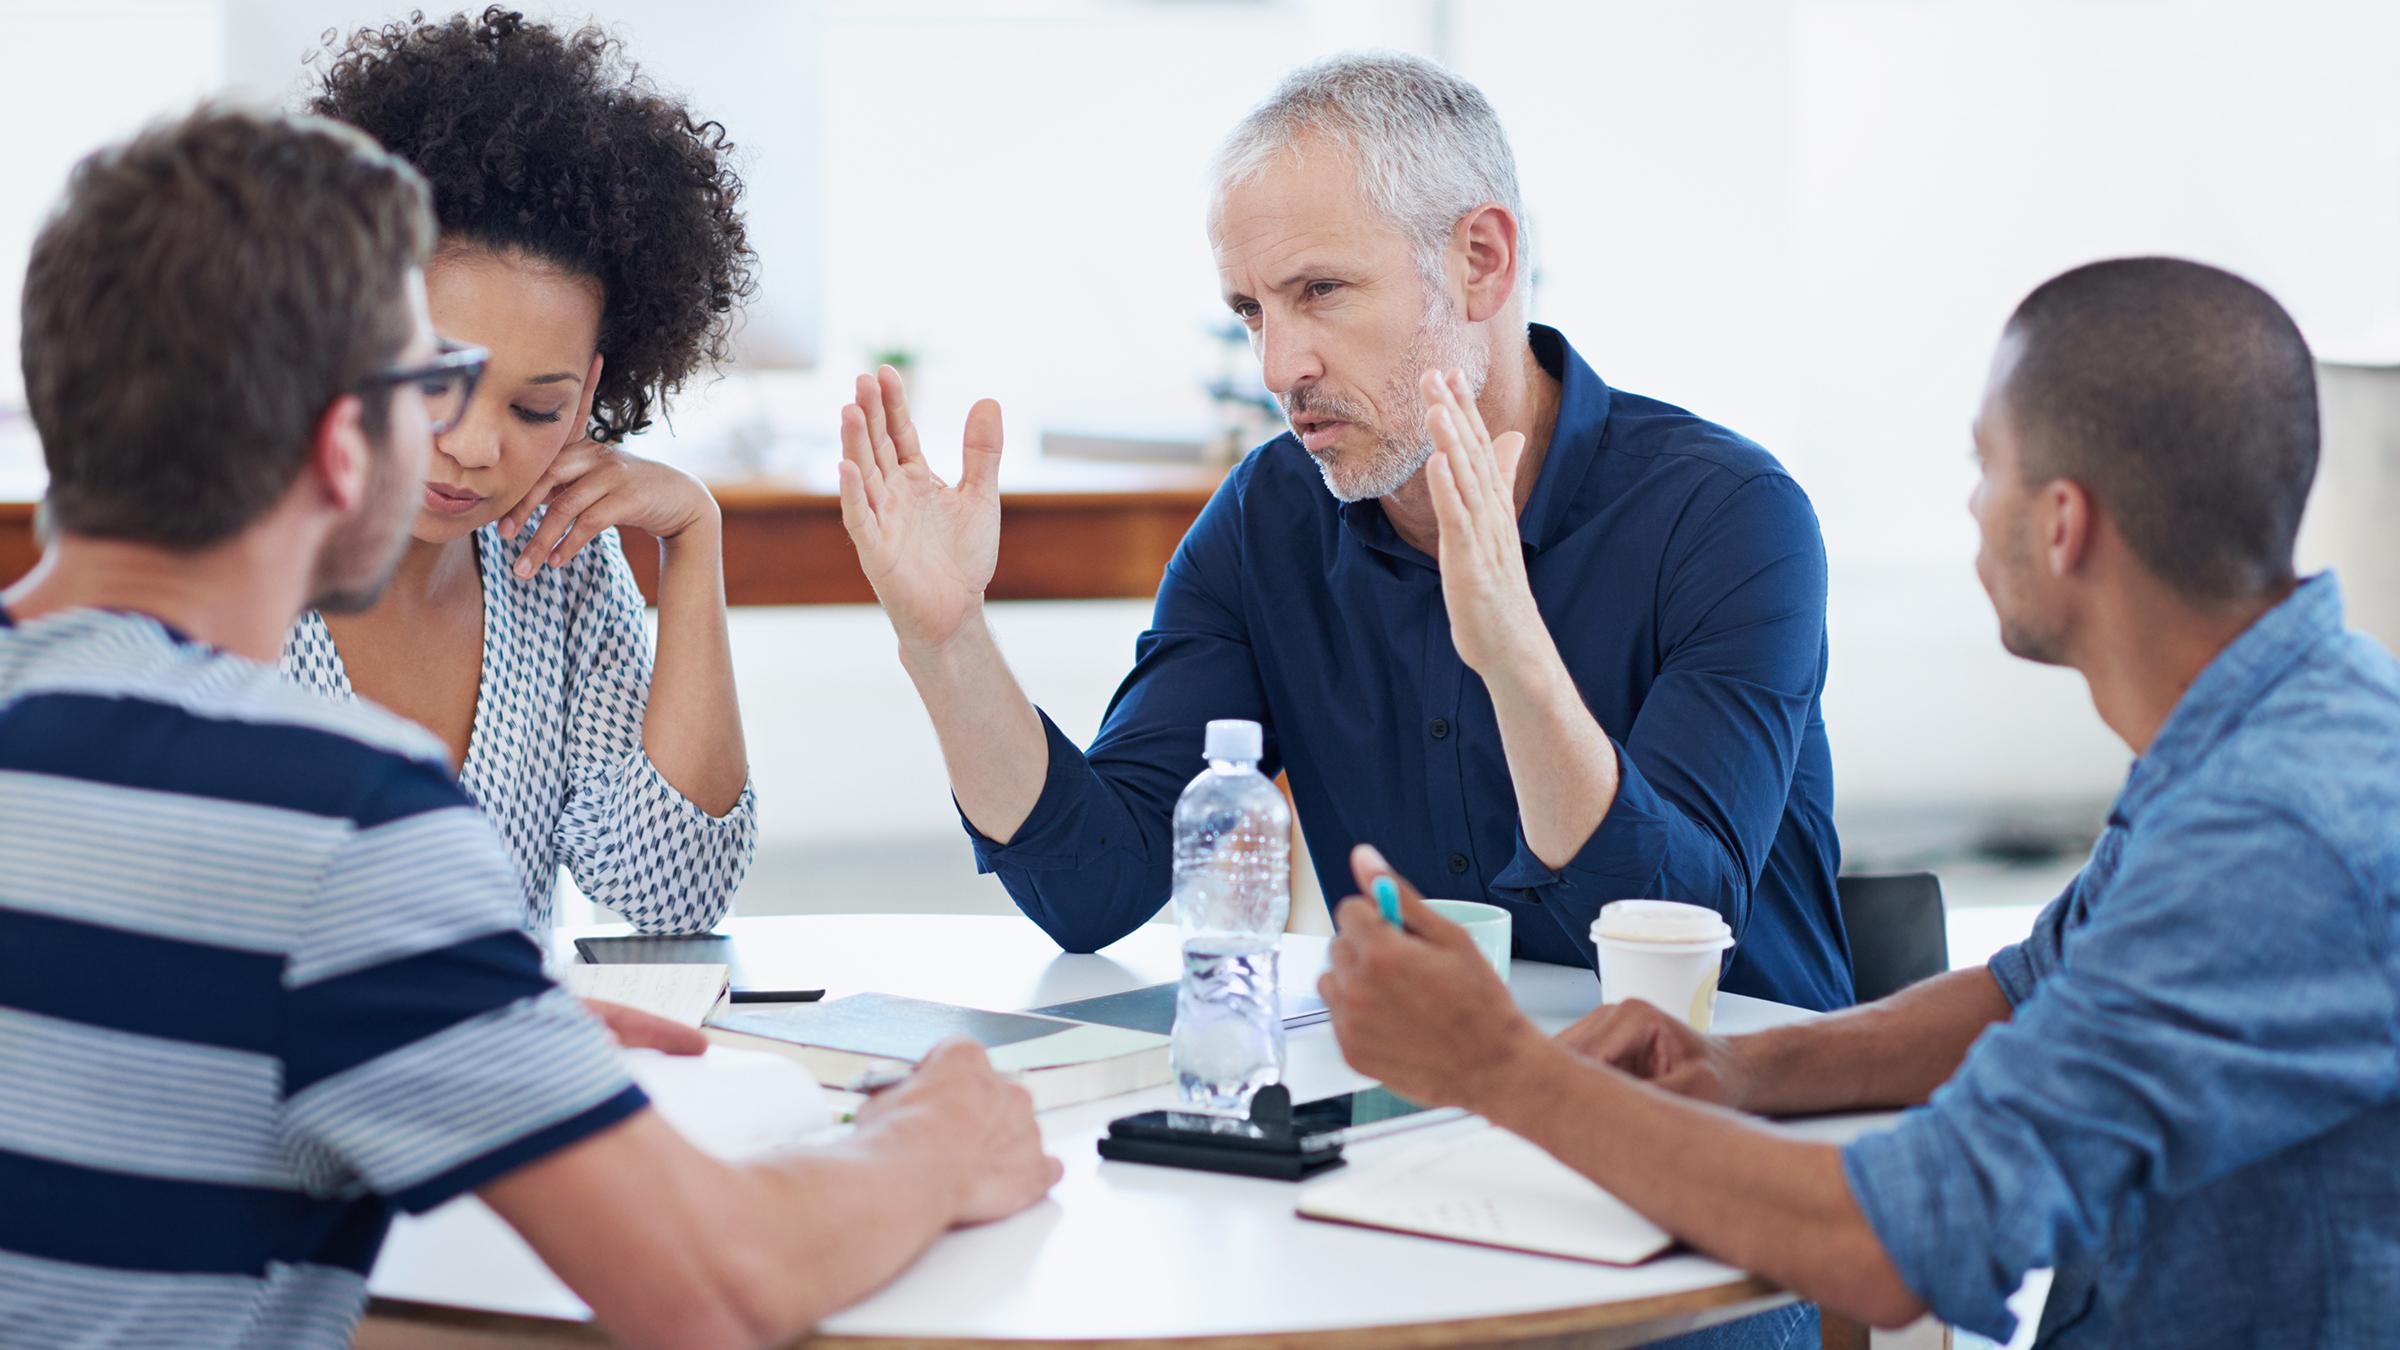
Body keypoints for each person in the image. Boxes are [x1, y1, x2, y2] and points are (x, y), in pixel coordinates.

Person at [0, 105, 1056, 1350]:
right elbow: (719, 1287)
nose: (462, 441)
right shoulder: (341, 816)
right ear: (345, 442)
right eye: (429, 382)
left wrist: (443, 1017)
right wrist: (934, 1142)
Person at [1315, 258, 2400, 1348]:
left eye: (1986, 466)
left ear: (2062, 524)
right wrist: (1739, 1067)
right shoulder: (2276, 733)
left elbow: (1891, 1247)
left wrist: (1498, 1068)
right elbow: (2029, 994)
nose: (1971, 505)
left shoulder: (2276, 840)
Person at [834, 51, 1852, 1012]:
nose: (1279, 368)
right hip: (1437, 1095)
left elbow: (1674, 931)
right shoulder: (1265, 521)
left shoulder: (1727, 516)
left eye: (1319, 291)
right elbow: (1095, 886)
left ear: (1481, 262)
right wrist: (948, 640)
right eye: (1250, 312)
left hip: (1737, 1095)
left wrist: (1515, 661)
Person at [281, 7, 756, 934]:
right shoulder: (223, 560)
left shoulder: (558, 561)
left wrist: (695, 539)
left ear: (588, 397)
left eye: (536, 409)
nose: (473, 447)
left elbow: (675, 895)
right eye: (435, 381)